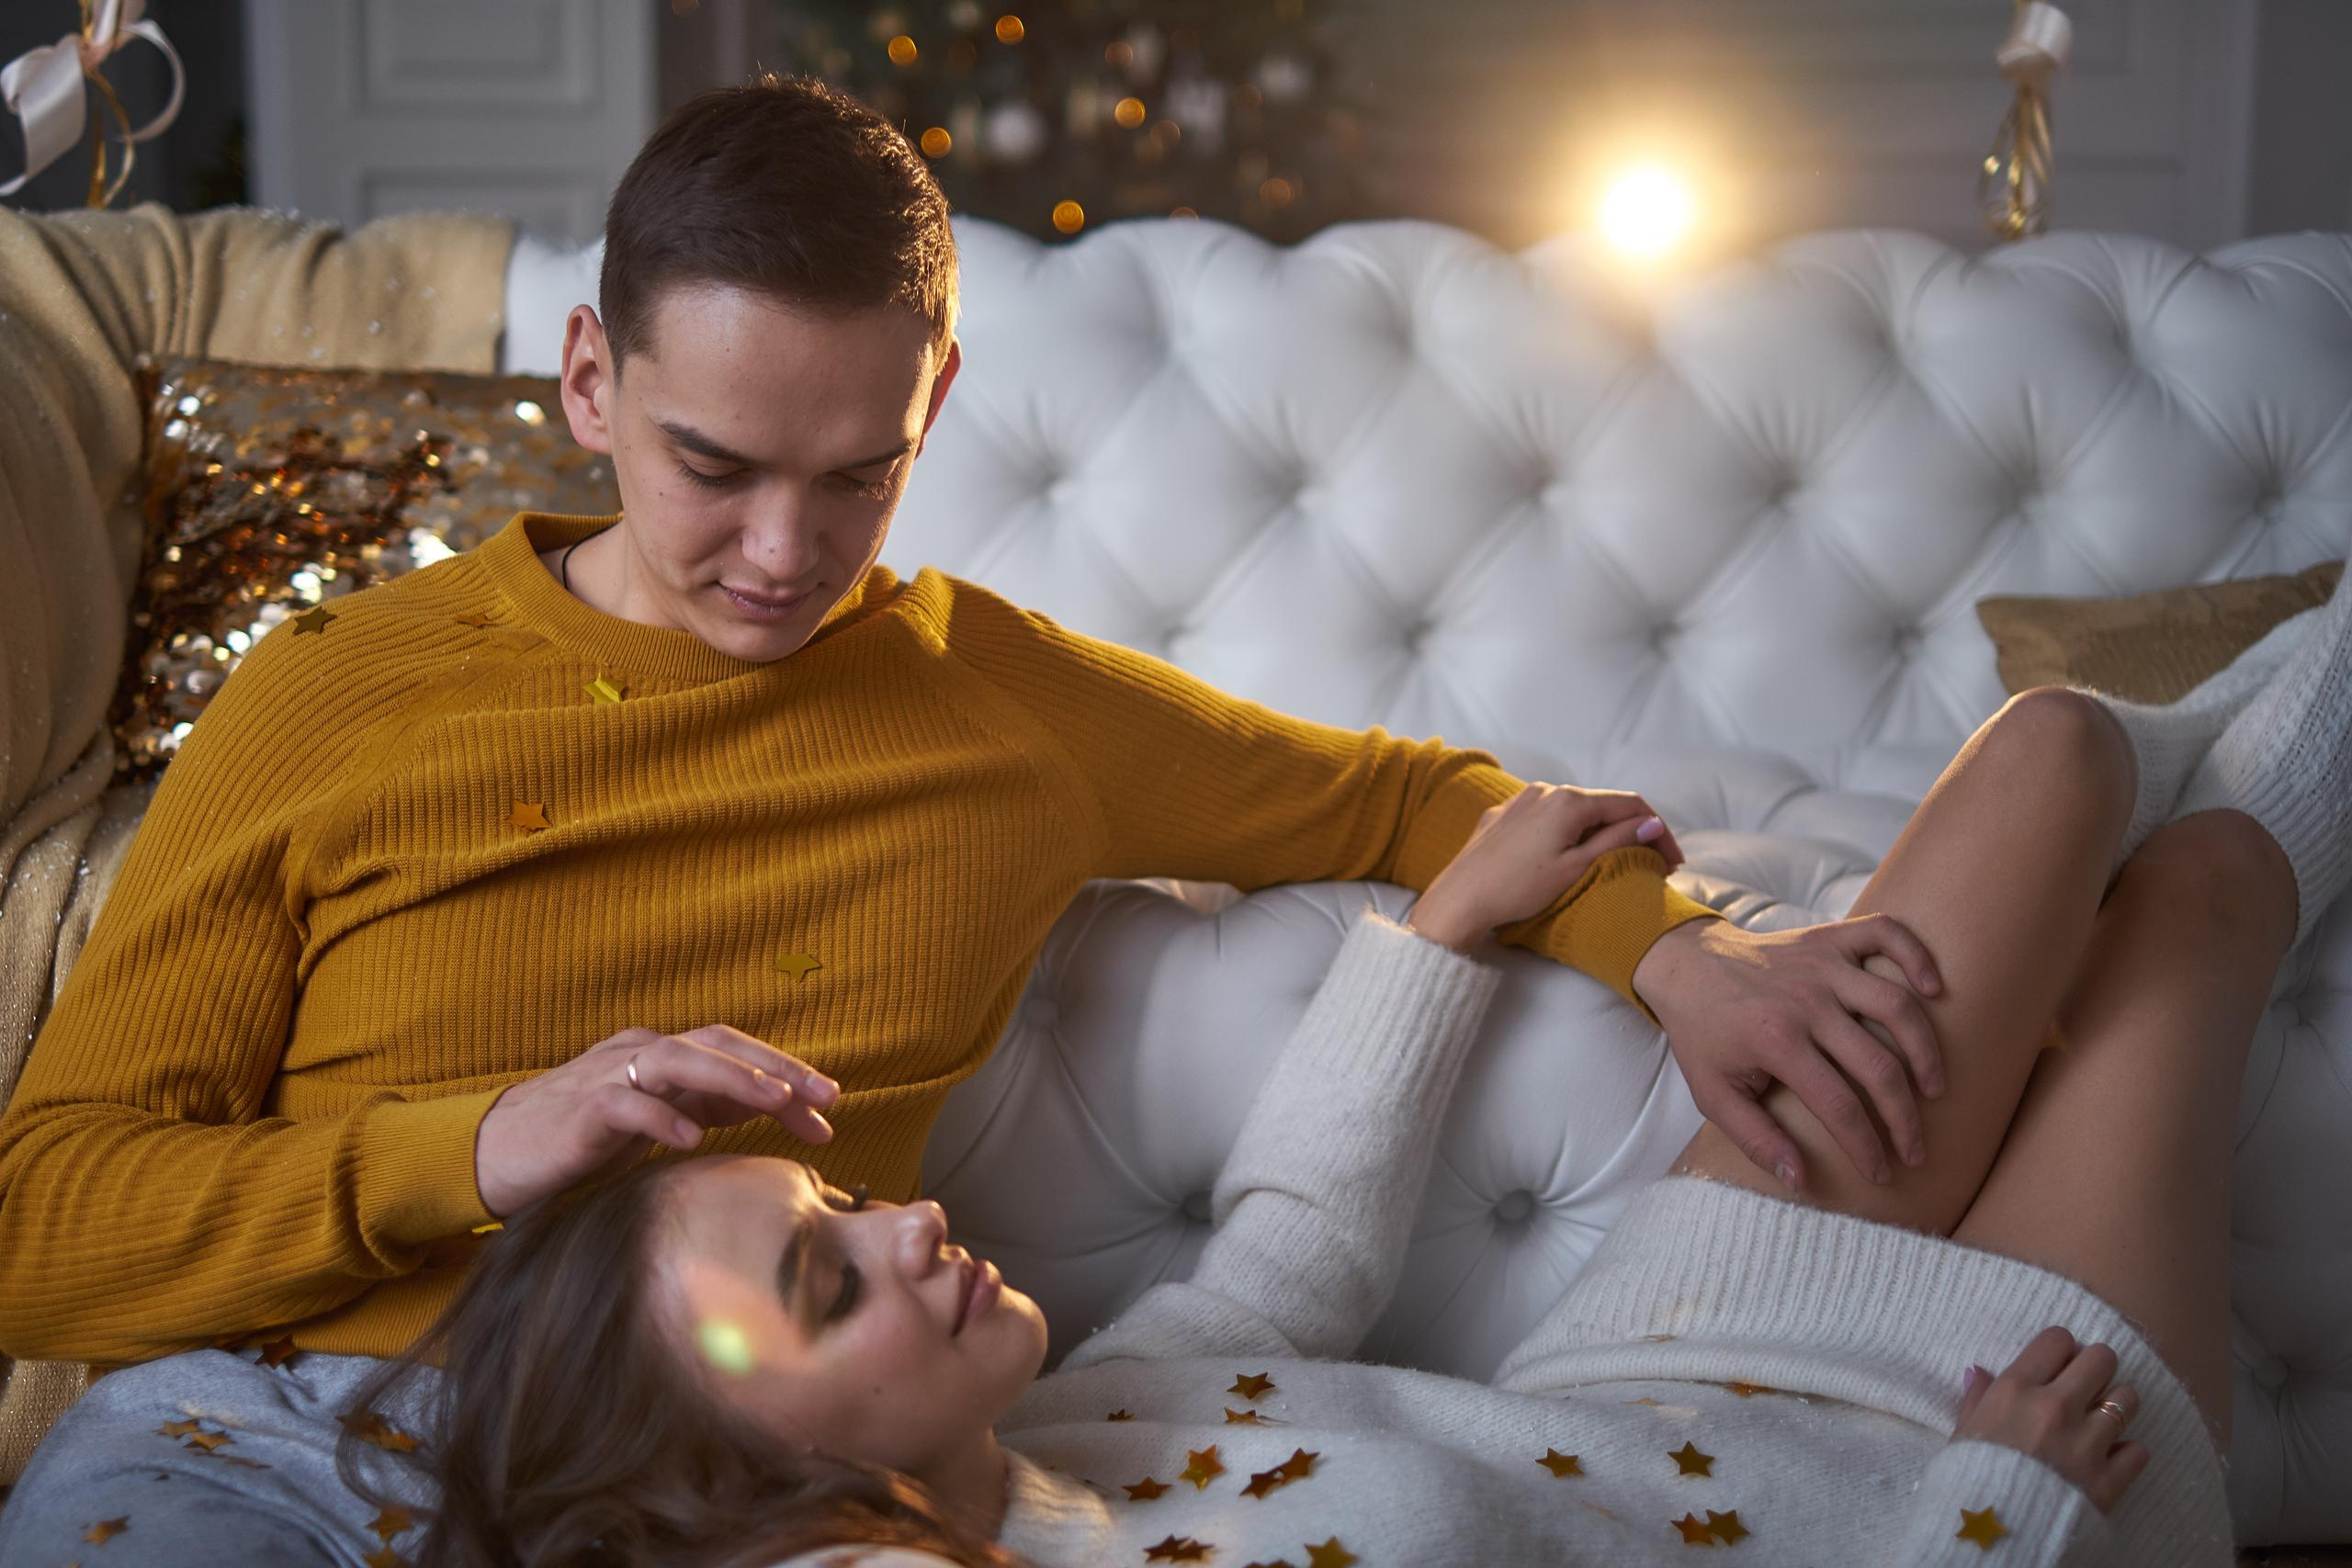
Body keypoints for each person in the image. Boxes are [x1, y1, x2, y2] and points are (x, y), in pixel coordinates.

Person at [0, 73, 1963, 1559]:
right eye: (715, 466)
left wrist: (1689, 947)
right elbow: (41, 1223)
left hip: (734, 1492)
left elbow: (1407, 797)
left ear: (933, 398)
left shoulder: (992, 695)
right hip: (269, 1439)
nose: (783, 555)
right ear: (590, 379)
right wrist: (481, 1147)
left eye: (858, 475)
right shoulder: (336, 692)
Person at [289, 568, 2346, 1568]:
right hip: (1969, 1455)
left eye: (832, 1206)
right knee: (2197, 907)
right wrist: (2004, 1516)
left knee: (2064, 748)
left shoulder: (1064, 1405)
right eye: (825, 1278)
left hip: (1680, 1332)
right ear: (750, 1493)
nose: (908, 1221)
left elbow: (1287, 1254)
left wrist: (1444, 920)